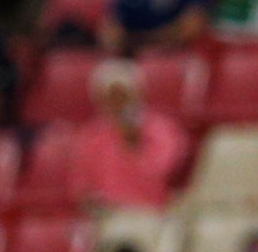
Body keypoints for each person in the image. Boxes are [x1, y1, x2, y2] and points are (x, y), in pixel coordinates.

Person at [73, 58, 189, 210]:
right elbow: (81, 186)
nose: (117, 102)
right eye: (111, 96)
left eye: (122, 95)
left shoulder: (161, 129)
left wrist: (133, 142)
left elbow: (164, 169)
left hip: (153, 213)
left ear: (137, 93)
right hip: (106, 216)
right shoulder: (90, 135)